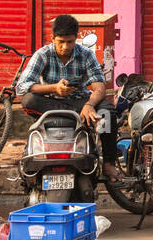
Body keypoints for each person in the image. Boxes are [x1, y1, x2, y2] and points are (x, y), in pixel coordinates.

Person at [16, 14, 119, 184]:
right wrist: (53, 88)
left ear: (76, 38)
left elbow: (99, 86)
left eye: (70, 42)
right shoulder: (43, 54)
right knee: (28, 100)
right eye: (60, 42)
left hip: (80, 102)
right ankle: (79, 117)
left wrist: (89, 105)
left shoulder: (86, 54)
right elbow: (22, 86)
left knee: (108, 113)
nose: (65, 47)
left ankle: (108, 163)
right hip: (51, 103)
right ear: (52, 38)